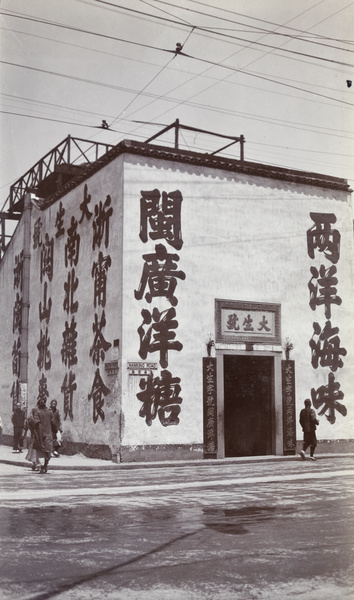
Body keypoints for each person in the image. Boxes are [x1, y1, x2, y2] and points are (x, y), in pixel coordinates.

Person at [32, 399, 55, 474]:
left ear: (39, 405)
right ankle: (45, 466)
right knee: (48, 451)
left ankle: (42, 468)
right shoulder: (50, 412)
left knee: (41, 452)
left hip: (40, 436)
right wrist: (55, 431)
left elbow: (36, 423)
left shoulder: (37, 413)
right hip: (49, 435)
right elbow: (53, 423)